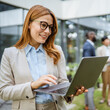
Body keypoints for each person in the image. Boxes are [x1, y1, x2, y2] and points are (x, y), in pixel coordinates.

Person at [0, 5, 87, 110]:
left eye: (50, 27)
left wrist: (71, 92)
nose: (47, 31)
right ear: (29, 24)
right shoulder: (10, 54)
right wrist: (32, 85)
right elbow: (4, 92)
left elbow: (62, 82)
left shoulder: (57, 51)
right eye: (43, 25)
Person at [82, 31, 96, 110]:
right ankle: (92, 108)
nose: (94, 35)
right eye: (92, 34)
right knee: (90, 90)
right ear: (89, 36)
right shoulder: (88, 45)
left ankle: (87, 106)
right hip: (89, 72)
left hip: (86, 71)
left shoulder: (89, 44)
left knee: (87, 90)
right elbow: (87, 60)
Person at [97, 36, 110, 107]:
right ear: (103, 42)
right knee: (105, 83)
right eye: (106, 40)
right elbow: (100, 59)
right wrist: (108, 60)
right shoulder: (99, 49)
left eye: (108, 39)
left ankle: (109, 99)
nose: (108, 41)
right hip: (105, 68)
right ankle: (103, 97)